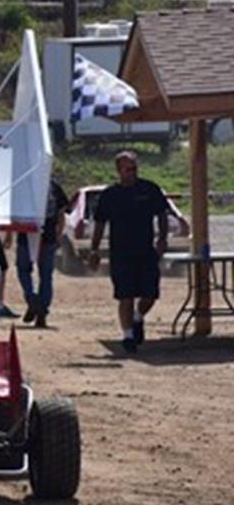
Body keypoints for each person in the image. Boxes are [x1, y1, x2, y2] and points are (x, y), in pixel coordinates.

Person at [89, 151, 169, 354]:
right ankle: (128, 336)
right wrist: (94, 250)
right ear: (118, 171)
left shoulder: (149, 189)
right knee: (125, 296)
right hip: (121, 253)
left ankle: (138, 317)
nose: (132, 173)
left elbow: (162, 214)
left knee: (150, 294)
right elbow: (100, 223)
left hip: (146, 251)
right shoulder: (110, 195)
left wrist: (162, 238)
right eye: (128, 169)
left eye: (134, 168)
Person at [17, 179, 71, 328]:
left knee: (23, 270)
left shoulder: (25, 185)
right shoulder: (54, 186)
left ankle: (32, 300)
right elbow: (61, 214)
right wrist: (59, 234)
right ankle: (42, 310)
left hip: (26, 234)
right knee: (46, 275)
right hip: (48, 236)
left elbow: (16, 211)